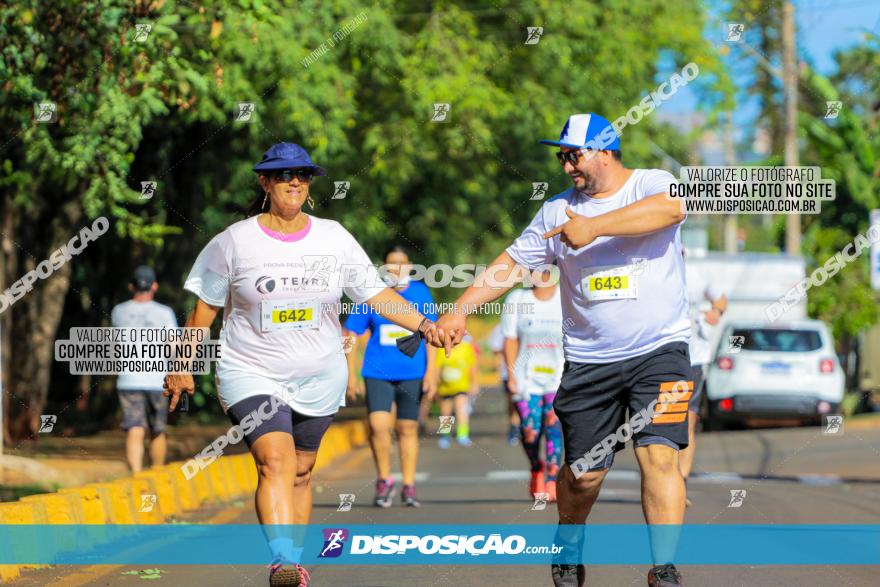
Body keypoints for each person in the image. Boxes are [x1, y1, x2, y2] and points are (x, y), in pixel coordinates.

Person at [163, 142, 452, 587]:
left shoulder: (333, 237)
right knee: (274, 462)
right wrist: (183, 364)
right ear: (265, 182)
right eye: (283, 175)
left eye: (301, 174)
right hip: (250, 370)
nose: (293, 181)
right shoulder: (234, 241)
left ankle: (294, 566)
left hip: (319, 375)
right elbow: (204, 311)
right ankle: (280, 561)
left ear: (310, 183)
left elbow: (375, 296)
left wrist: (427, 325)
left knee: (300, 471)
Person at [436, 113, 692, 587]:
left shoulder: (651, 183)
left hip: (660, 351)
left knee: (659, 455)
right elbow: (512, 263)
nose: (567, 165)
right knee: (583, 475)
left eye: (573, 155)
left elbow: (672, 210)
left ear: (606, 150)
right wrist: (460, 309)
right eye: (562, 157)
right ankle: (569, 541)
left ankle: (664, 569)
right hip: (590, 362)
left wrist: (595, 227)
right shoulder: (556, 211)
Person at [343, 245, 438, 508]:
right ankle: (384, 479)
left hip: (412, 372)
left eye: (401, 264)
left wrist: (432, 371)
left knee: (407, 428)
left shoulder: (421, 293)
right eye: (391, 264)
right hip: (377, 372)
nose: (396, 269)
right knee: (378, 425)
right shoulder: (372, 294)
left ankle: (409, 485)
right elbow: (351, 333)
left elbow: (432, 335)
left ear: (410, 266)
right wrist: (350, 375)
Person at [501, 273, 564, 503]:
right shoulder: (517, 298)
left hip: (558, 376)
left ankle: (552, 479)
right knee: (530, 432)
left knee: (553, 427)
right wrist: (511, 375)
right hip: (526, 376)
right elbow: (510, 339)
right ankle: (536, 467)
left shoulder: (565, 297)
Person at [111, 266, 178, 473]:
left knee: (135, 428)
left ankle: (137, 476)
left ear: (131, 286)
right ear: (154, 286)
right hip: (158, 380)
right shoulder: (164, 313)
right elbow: (173, 346)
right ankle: (157, 473)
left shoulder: (119, 311)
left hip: (128, 379)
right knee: (157, 429)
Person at [680, 249, 727, 504]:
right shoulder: (649, 276)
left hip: (693, 357)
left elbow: (721, 300)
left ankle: (680, 482)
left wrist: (716, 313)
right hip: (657, 358)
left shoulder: (696, 276)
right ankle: (663, 480)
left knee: (687, 422)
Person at [434, 333, 479, 448]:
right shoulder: (441, 349)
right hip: (445, 387)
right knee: (446, 412)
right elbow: (437, 367)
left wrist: (474, 383)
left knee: (461, 410)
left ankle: (463, 434)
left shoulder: (466, 348)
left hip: (461, 386)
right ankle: (445, 435)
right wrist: (436, 383)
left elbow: (472, 366)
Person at [489, 322, 520, 446]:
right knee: (512, 400)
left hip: (529, 370)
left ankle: (527, 425)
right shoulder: (500, 328)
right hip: (508, 371)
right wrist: (500, 367)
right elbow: (497, 351)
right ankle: (515, 426)